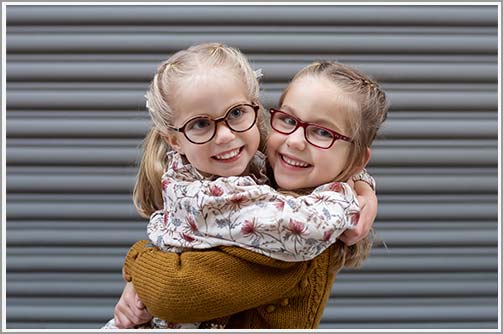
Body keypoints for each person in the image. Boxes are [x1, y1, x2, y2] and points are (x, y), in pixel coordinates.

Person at [112, 49, 386, 328]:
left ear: (254, 110)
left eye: (323, 132)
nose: (294, 142)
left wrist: (137, 263)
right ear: (174, 141)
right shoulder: (258, 169)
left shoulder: (295, 238)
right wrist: (361, 186)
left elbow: (170, 293)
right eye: (289, 121)